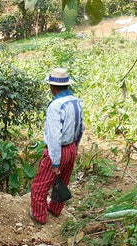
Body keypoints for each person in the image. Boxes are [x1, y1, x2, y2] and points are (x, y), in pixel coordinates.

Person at [30, 68, 84, 224]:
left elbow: (54, 136)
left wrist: (55, 162)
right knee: (62, 181)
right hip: (71, 147)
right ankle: (55, 209)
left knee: (40, 185)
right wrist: (75, 147)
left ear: (52, 87)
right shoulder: (76, 101)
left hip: (58, 150)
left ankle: (39, 216)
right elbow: (81, 128)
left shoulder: (55, 106)